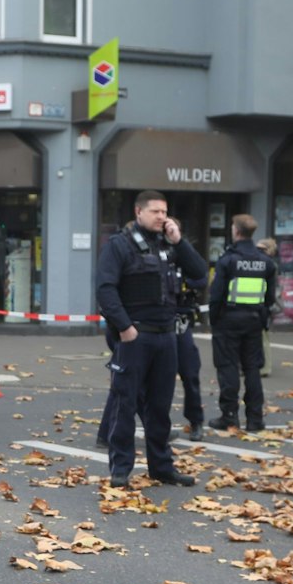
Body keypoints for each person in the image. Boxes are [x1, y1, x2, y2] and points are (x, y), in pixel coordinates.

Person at [94, 190, 206, 488]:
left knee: (160, 406)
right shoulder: (120, 245)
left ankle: (161, 467)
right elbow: (106, 289)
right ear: (138, 212)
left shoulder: (168, 245)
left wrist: (179, 241)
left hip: (166, 336)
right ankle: (121, 469)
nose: (161, 217)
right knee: (125, 403)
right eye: (155, 211)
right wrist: (125, 327)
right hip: (136, 336)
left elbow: (200, 274)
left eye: (164, 212)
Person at [209, 214, 279, 431]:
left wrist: (214, 320)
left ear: (236, 231)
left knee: (228, 366)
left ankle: (229, 415)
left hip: (228, 321)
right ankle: (255, 418)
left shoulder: (228, 260)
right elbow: (269, 298)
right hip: (254, 321)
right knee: (252, 369)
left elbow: (216, 295)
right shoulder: (265, 262)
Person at [174, 272, 208, 438]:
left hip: (182, 322)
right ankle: (157, 425)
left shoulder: (183, 254)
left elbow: (201, 277)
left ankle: (196, 421)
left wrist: (184, 280)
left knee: (190, 373)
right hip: (159, 321)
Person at [254, 237, 279, 377]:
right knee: (263, 338)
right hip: (262, 305)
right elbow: (271, 292)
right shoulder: (270, 264)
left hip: (243, 307)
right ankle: (265, 367)